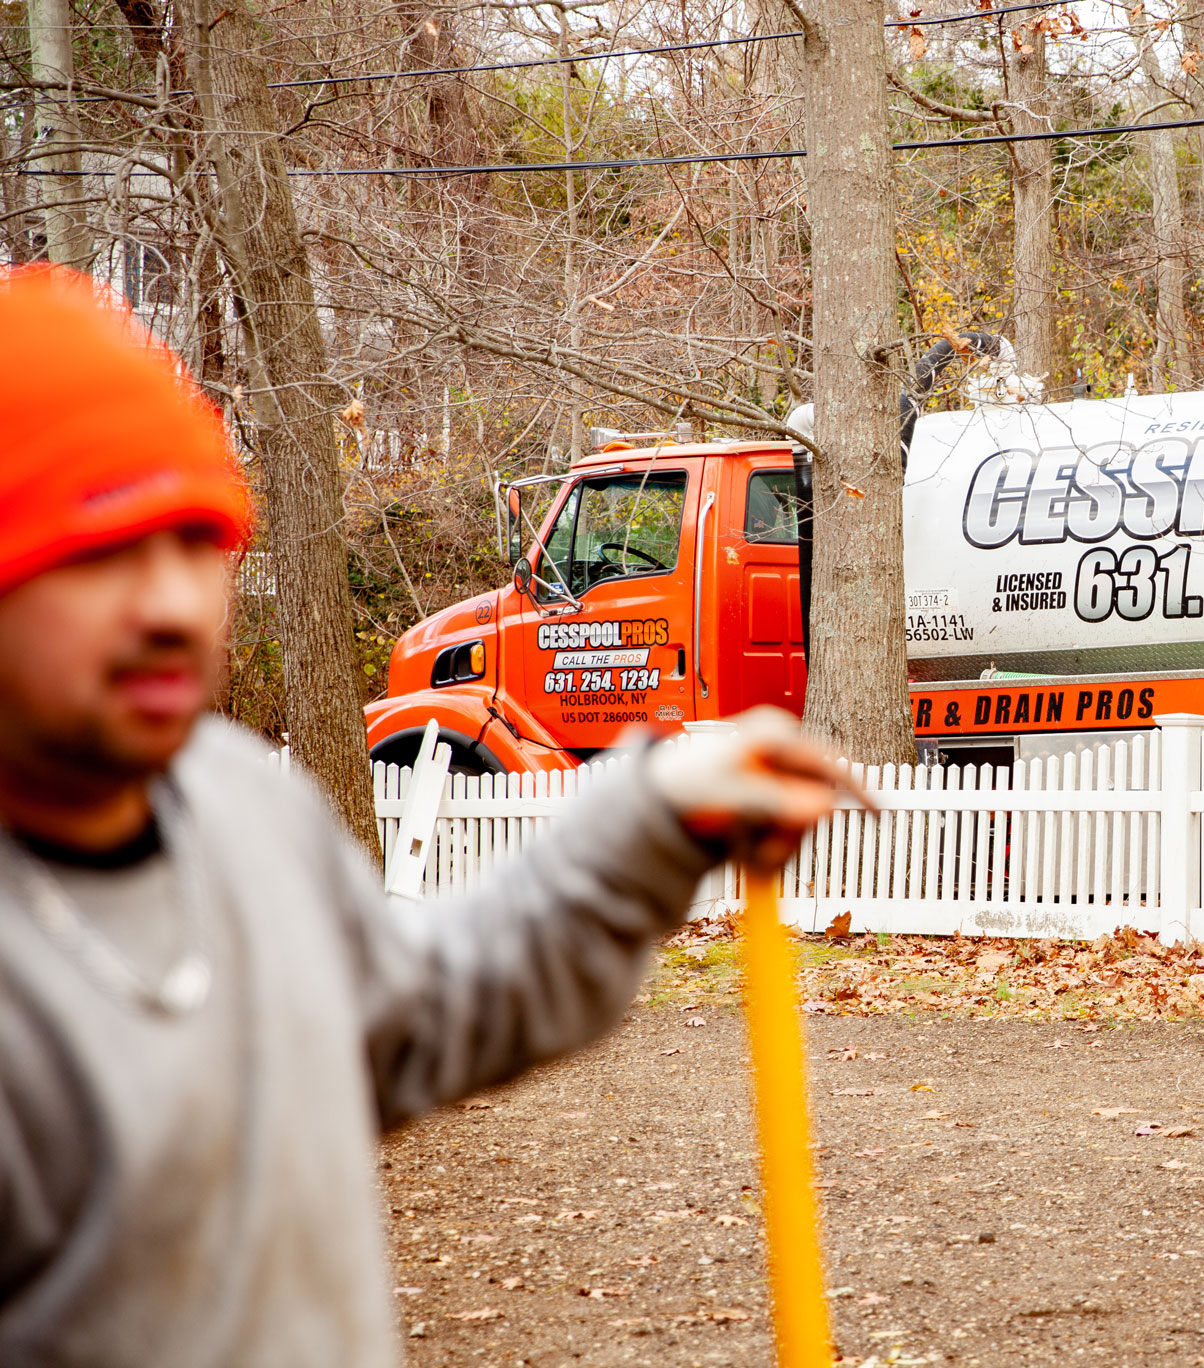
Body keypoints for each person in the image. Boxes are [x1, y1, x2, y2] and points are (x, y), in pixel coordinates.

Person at [0, 266, 851, 1365]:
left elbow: (416, 1016)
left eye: (193, 545)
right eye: (100, 553)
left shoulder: (241, 805)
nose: (168, 606)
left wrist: (654, 819)